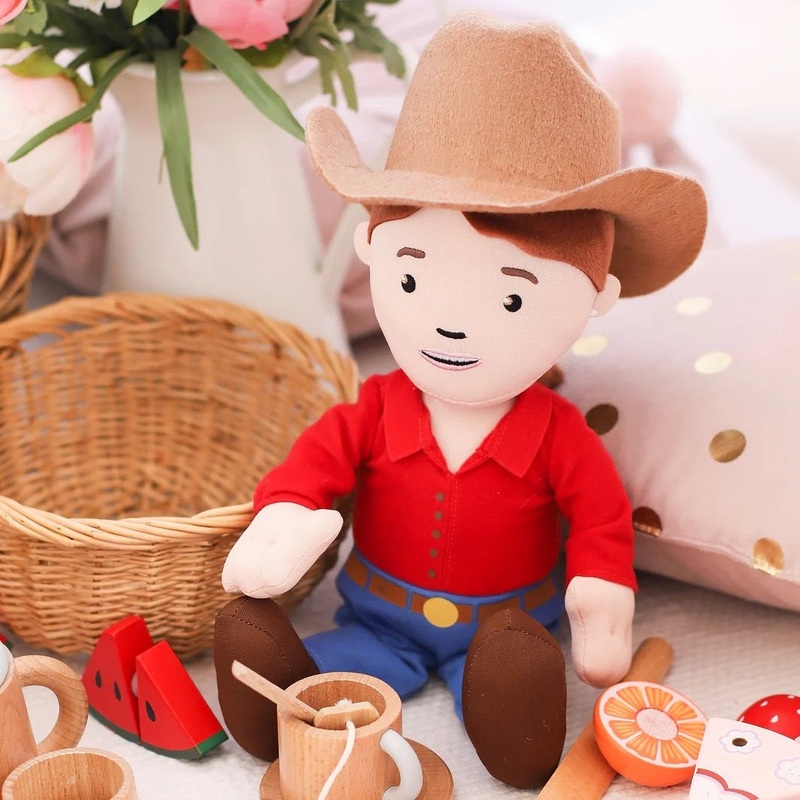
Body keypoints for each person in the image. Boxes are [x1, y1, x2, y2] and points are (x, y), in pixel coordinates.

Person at [215, 13, 706, 789]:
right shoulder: (375, 408)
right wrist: (286, 515)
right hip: (379, 617)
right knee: (319, 670)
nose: (449, 324)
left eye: (513, 300)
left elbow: (602, 520)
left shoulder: (557, 434)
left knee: (509, 667)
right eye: (411, 278)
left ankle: (515, 713)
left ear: (595, 296)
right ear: (373, 251)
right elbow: (313, 465)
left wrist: (600, 599)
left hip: (508, 624)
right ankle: (280, 699)